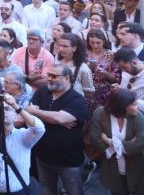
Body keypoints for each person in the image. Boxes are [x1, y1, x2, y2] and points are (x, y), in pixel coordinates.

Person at [27, 64, 90, 195]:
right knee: (47, 189)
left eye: (54, 76)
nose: (49, 78)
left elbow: (59, 119)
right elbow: (30, 115)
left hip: (68, 160)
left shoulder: (77, 100)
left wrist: (40, 114)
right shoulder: (42, 91)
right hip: (43, 156)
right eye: (49, 75)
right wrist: (54, 118)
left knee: (74, 191)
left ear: (67, 78)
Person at [90, 88, 144, 195]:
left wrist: (108, 141)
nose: (137, 108)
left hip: (136, 167)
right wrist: (127, 144)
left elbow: (139, 146)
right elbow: (95, 139)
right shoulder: (100, 113)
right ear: (122, 106)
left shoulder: (138, 117)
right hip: (112, 168)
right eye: (134, 104)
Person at [113, 48, 144, 156]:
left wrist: (131, 98)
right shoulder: (127, 72)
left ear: (134, 62)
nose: (123, 70)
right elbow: (123, 91)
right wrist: (119, 91)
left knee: (141, 165)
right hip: (124, 127)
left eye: (124, 67)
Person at [87, 28, 119, 110]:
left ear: (104, 41)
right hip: (86, 91)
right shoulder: (84, 53)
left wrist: (104, 73)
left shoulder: (112, 55)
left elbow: (116, 79)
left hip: (104, 94)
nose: (95, 45)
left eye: (98, 43)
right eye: (92, 42)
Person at [56, 33, 95, 99]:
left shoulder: (83, 68)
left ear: (74, 48)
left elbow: (89, 93)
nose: (61, 49)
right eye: (60, 45)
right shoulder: (57, 60)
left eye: (65, 46)